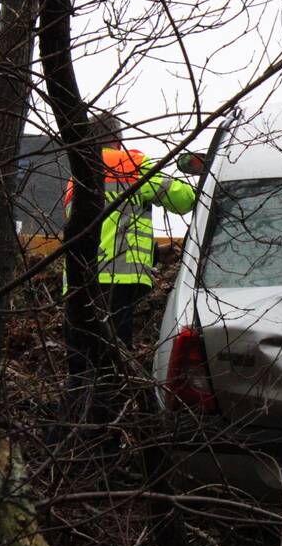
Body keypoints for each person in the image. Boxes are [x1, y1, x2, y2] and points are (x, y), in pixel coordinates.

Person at [55, 112, 196, 448]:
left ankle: (61, 445)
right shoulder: (129, 164)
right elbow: (183, 200)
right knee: (110, 369)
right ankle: (102, 446)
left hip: (77, 284)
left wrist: (153, 252)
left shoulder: (77, 174)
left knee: (79, 369)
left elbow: (103, 230)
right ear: (117, 139)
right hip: (115, 284)